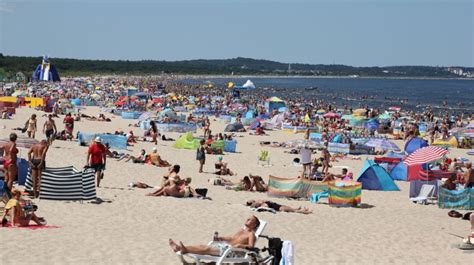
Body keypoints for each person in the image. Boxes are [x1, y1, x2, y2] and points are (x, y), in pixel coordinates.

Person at [169, 216, 260, 256]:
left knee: (207, 250)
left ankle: (185, 249)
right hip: (225, 247)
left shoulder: (251, 234)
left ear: (254, 225)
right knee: (203, 246)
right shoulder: (242, 230)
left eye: (250, 220)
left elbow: (251, 247)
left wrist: (240, 246)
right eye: (248, 218)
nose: (247, 219)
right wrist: (220, 238)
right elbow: (232, 238)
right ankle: (179, 248)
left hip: (232, 252)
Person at [246, 199, 312, 214]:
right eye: (253, 201)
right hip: (279, 208)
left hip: (279, 206)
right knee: (294, 211)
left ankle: (302, 209)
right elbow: (268, 208)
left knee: (292, 209)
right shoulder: (263, 205)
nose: (254, 201)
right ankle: (306, 212)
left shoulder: (260, 202)